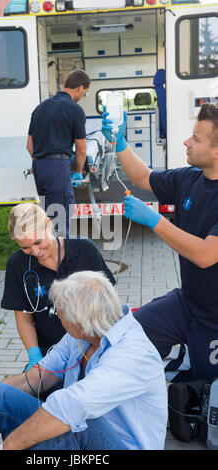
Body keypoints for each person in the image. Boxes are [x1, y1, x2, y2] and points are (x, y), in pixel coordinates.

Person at [0, 271, 167, 451]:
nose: (57, 316)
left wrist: (9, 445)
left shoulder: (133, 355)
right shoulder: (81, 336)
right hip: (77, 426)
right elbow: (36, 377)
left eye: (59, 313)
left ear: (81, 322)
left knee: (69, 424)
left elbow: (72, 406)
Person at [102, 102, 218, 381]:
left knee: (206, 393)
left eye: (196, 139)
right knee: (125, 337)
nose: (186, 141)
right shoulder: (188, 178)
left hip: (215, 321)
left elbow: (205, 254)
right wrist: (119, 142)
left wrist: (155, 221)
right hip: (187, 303)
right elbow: (143, 177)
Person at [1, 203, 115, 372]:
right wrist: (35, 355)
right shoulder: (17, 265)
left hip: (90, 346)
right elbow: (24, 318)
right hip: (50, 351)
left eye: (38, 242)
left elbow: (108, 304)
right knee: (35, 390)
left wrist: (102, 346)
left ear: (48, 224)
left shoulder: (84, 250)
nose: (35, 251)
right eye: (25, 247)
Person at [27, 68, 90, 234]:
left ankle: (49, 253)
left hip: (39, 168)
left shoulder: (40, 108)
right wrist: (77, 171)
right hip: (57, 168)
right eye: (84, 93)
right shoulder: (75, 110)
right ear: (80, 88)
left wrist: (41, 161)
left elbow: (29, 145)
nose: (82, 96)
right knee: (60, 221)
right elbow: (81, 150)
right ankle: (60, 257)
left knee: (48, 218)